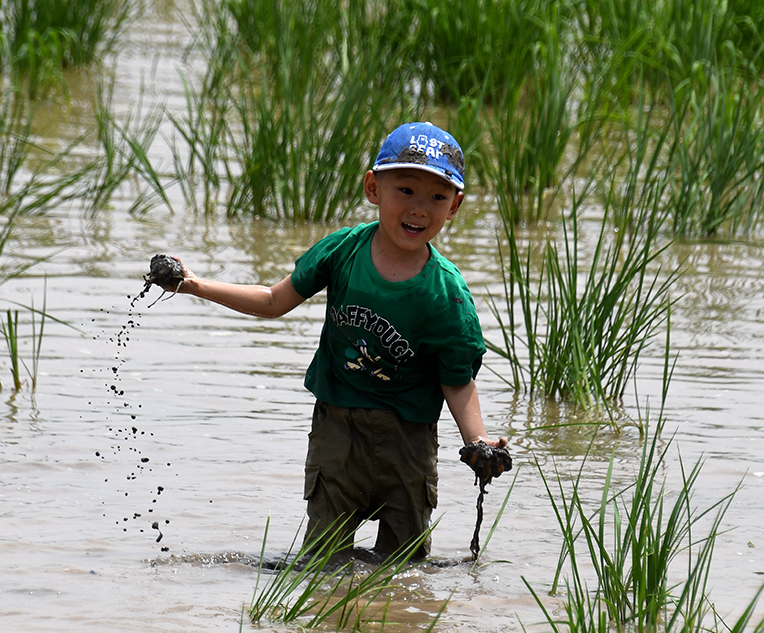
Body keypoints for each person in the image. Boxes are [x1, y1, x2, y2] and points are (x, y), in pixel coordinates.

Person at [167, 122, 508, 560]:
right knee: (322, 562)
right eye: (405, 190)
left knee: (403, 570)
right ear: (373, 188)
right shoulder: (342, 252)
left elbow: (458, 382)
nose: (419, 209)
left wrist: (478, 442)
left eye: (437, 197)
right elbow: (274, 300)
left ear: (454, 206)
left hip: (408, 441)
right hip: (337, 430)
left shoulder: (447, 296)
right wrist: (195, 285)